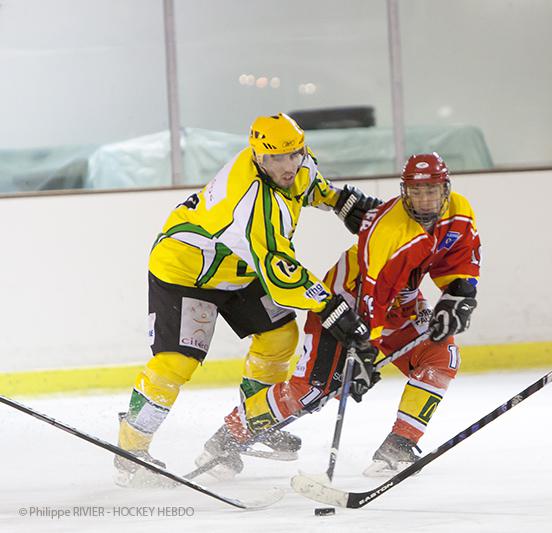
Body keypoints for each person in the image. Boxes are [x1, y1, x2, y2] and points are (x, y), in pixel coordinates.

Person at [114, 113, 380, 487]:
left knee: (279, 337)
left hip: (239, 267)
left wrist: (344, 202)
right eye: (276, 159)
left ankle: (252, 423)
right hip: (187, 272)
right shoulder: (252, 203)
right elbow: (281, 272)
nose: (287, 166)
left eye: (294, 154)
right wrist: (329, 306)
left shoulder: (297, 165)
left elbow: (312, 186)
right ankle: (131, 451)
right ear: (256, 156)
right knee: (177, 361)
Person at [197, 152, 481, 478]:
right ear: (405, 191)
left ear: (445, 188)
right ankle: (227, 438)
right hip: (346, 308)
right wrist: (365, 351)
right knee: (312, 391)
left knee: (441, 357)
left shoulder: (459, 210)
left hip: (401, 303)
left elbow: (461, 258)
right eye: (416, 191)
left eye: (431, 190)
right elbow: (374, 296)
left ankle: (398, 446)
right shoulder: (390, 232)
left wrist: (457, 295)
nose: (424, 199)